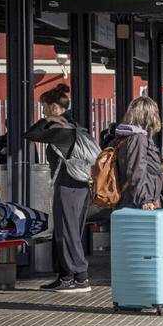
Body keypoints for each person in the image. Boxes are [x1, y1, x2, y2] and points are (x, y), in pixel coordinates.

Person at [25, 86, 93, 293]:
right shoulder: (74, 125)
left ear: (54, 107)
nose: (43, 110)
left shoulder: (61, 128)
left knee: (69, 231)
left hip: (69, 185)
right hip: (75, 185)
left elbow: (30, 134)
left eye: (44, 106)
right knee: (65, 230)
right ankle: (65, 276)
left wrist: (48, 121)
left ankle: (80, 278)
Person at [115, 96, 163, 210]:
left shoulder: (127, 137)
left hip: (134, 199)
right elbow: (136, 170)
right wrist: (144, 200)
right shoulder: (138, 138)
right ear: (148, 116)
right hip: (137, 202)